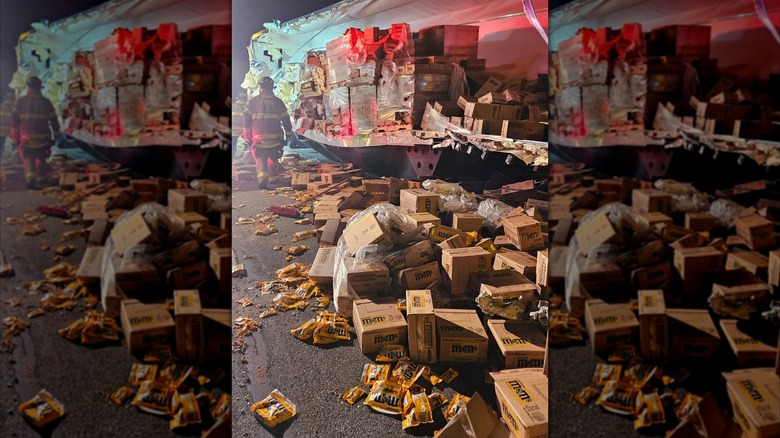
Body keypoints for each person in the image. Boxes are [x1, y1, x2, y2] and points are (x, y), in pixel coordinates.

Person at [243, 76, 292, 189]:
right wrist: (288, 133)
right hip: (275, 137)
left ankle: (262, 178)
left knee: (260, 158)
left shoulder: (253, 101)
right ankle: (273, 178)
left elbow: (247, 119)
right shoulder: (278, 102)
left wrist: (247, 133)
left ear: (261, 87)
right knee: (273, 157)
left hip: (258, 137)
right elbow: (286, 119)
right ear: (272, 88)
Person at [13, 77, 61, 189]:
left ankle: (30, 179)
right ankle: (41, 179)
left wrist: (15, 135)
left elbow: (15, 120)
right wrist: (56, 133)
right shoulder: (46, 102)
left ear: (28, 87)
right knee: (41, 158)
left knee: (28, 158)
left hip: (26, 137)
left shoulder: (21, 102)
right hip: (43, 137)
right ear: (39, 87)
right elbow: (53, 119)